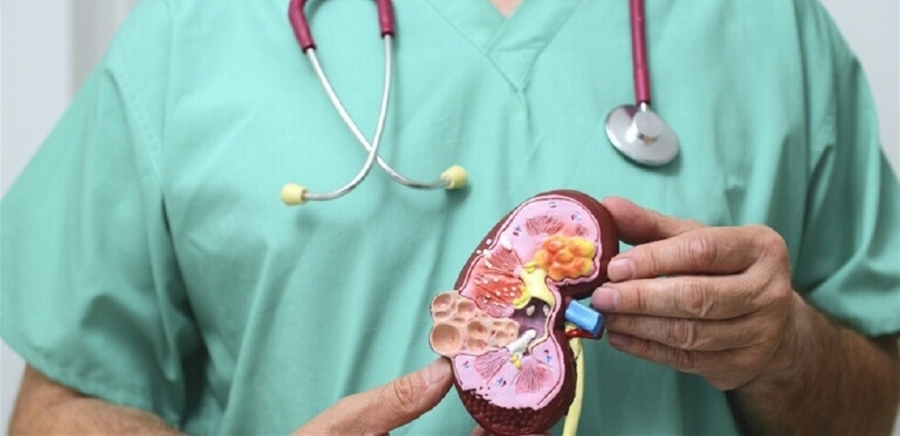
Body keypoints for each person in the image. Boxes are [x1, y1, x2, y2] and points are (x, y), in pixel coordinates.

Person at [3, 0, 898, 434]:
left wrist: (788, 350)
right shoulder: (195, 29)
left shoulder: (771, 27)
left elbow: (870, 397)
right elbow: (62, 404)